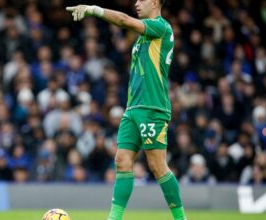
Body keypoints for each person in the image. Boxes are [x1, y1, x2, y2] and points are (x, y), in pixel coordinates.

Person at [66, 1, 187, 220]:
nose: (136, 3)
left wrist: (95, 10)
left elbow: (123, 21)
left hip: (152, 108)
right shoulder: (143, 38)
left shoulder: (161, 27)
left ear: (155, 2)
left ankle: (181, 218)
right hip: (133, 108)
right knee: (121, 160)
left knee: (157, 166)